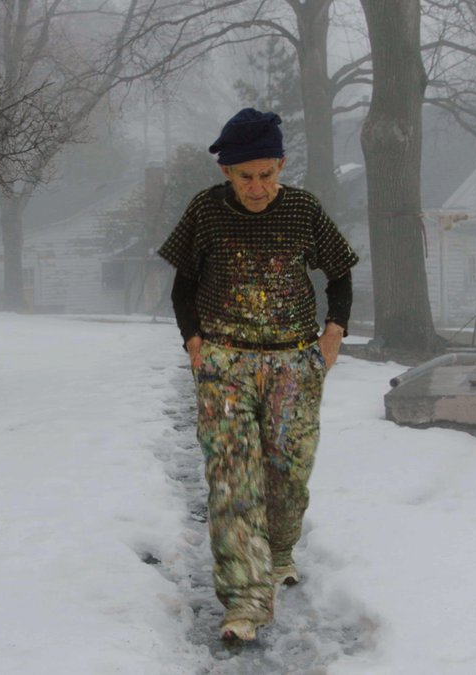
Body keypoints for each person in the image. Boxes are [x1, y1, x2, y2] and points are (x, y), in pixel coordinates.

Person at [157, 108, 358, 642]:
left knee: (286, 475)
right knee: (232, 482)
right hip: (226, 361)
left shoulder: (302, 210)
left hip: (294, 362)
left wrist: (333, 332)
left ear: (281, 166)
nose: (258, 187)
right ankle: (243, 602)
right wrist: (195, 342)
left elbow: (339, 273)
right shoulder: (205, 211)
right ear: (227, 173)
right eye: (246, 176)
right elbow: (183, 286)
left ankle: (280, 549)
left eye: (267, 174)